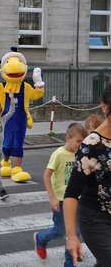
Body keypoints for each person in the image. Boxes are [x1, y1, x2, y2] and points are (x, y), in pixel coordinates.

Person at [64, 84, 111, 267]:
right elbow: (71, 194)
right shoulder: (91, 146)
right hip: (95, 219)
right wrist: (72, 236)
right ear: (105, 107)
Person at [33, 123, 87, 267]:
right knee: (61, 230)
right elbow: (46, 176)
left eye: (83, 141)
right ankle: (40, 238)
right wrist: (52, 198)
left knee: (75, 232)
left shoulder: (80, 153)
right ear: (68, 138)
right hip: (61, 200)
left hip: (77, 199)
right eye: (78, 141)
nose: (80, 144)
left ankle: (69, 263)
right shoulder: (58, 154)